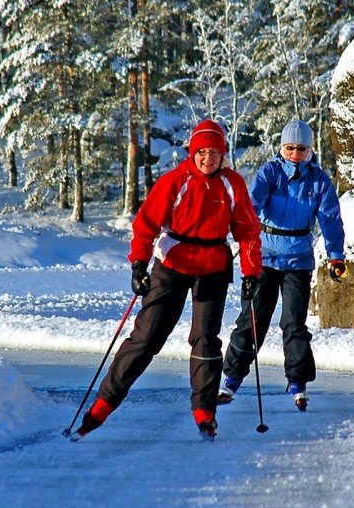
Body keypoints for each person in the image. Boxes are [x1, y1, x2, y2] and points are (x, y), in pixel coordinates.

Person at [72, 119, 262, 440]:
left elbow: (248, 231)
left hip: (212, 266)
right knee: (147, 335)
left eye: (214, 153)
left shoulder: (232, 184)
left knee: (205, 338)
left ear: (223, 155)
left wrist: (251, 273)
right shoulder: (175, 180)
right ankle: (103, 405)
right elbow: (146, 224)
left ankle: (205, 412)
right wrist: (139, 266)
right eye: (201, 152)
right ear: (192, 153)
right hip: (172, 261)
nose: (207, 159)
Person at [219, 119, 346, 412]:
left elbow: (330, 218)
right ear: (281, 148)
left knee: (294, 323)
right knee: (252, 318)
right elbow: (251, 205)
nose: (295, 154)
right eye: (290, 148)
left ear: (310, 150)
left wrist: (336, 255)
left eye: (301, 149)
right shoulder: (270, 172)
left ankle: (298, 383)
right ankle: (231, 380)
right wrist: (240, 234)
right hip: (264, 256)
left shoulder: (319, 180)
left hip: (298, 259)